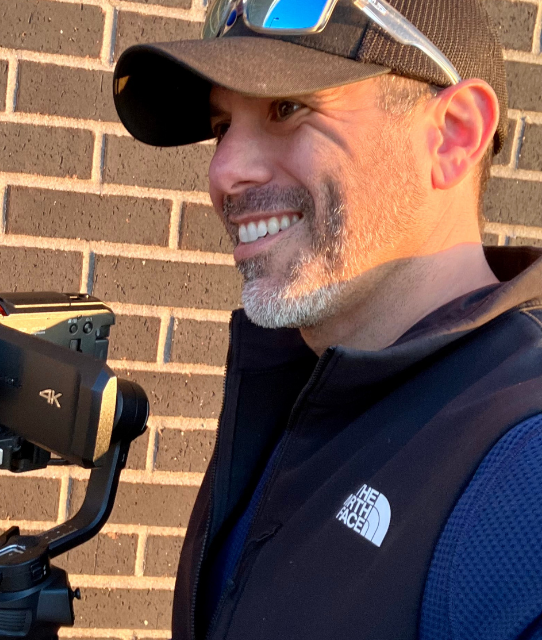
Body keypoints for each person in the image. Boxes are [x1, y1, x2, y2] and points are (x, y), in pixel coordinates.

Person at [112, 0, 542, 639]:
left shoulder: (524, 473)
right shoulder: (300, 380)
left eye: (288, 108)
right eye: (223, 125)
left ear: (453, 135)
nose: (223, 172)